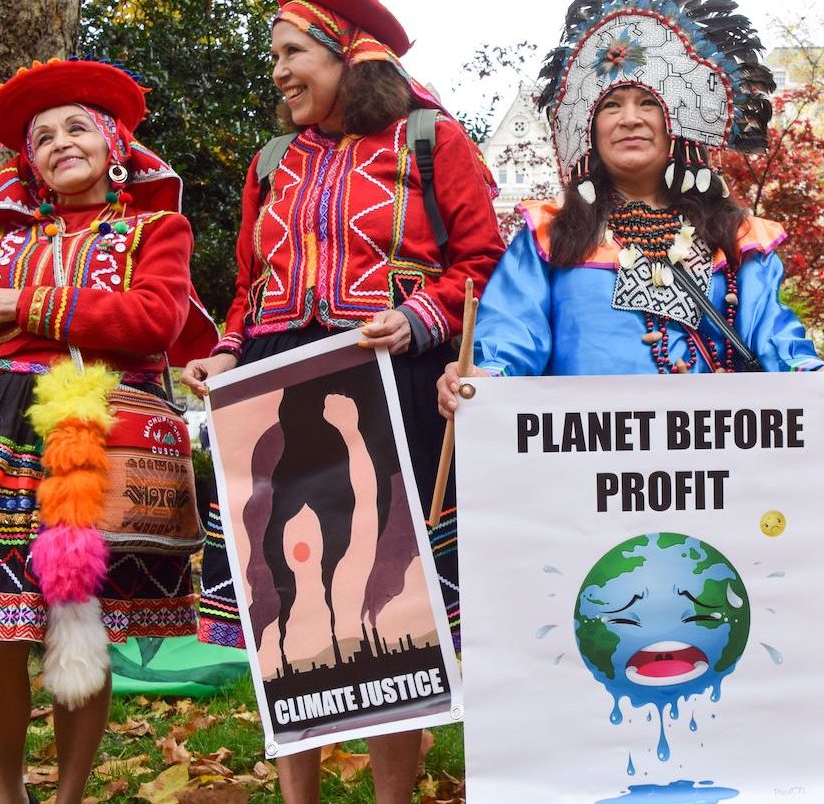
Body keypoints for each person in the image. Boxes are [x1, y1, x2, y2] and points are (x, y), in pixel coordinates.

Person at [179, 1, 503, 801]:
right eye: (274, 56)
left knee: (391, 607)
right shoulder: (270, 162)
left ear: (348, 56)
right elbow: (250, 288)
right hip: (274, 391)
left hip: (390, 385)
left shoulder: (431, 140)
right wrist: (224, 348)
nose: (279, 71)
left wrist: (422, 316)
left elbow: (487, 261)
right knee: (285, 604)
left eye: (293, 53)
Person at [0, 58, 217, 804]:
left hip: (106, 440)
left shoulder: (156, 229)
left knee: (87, 626)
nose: (59, 142)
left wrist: (23, 310)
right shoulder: (0, 247)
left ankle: (71, 797)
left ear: (116, 148)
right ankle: (12, 796)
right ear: (31, 167)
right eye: (41, 138)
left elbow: (155, 319)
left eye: (77, 127)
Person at [436, 0, 824, 411]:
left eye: (648, 103)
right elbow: (511, 338)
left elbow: (772, 335)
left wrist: (822, 377)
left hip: (709, 463)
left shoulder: (735, 236)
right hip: (580, 465)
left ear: (674, 123)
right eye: (610, 106)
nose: (630, 119)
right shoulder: (548, 235)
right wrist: (480, 380)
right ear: (590, 129)